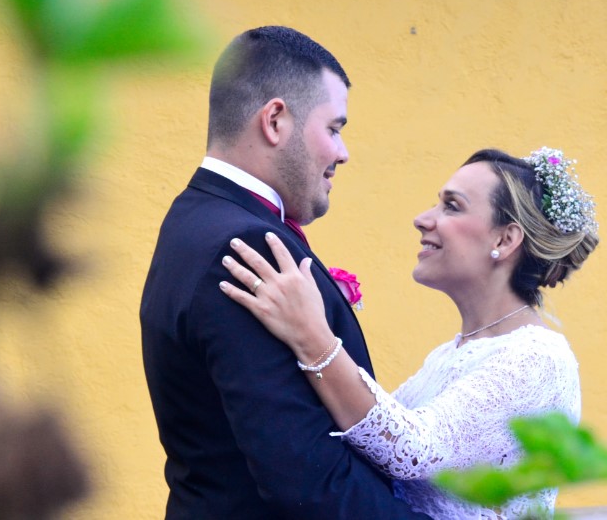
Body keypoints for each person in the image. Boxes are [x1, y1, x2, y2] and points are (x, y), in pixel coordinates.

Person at [140, 26, 430, 518]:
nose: (343, 153)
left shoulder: (192, 217)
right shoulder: (246, 246)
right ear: (275, 120)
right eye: (334, 129)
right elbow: (307, 481)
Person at [220, 147, 598, 518]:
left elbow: (415, 450)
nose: (422, 219)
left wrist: (311, 334)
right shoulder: (453, 352)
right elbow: (371, 444)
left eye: (452, 206)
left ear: (504, 240)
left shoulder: (538, 358)